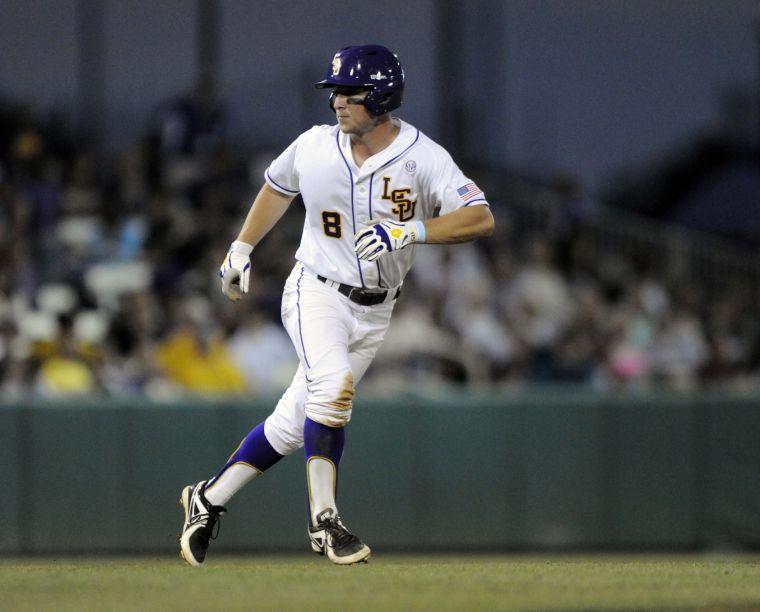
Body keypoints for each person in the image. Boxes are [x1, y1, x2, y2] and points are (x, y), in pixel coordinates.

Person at [178, 44, 494, 566]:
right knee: (334, 387)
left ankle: (207, 499)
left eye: (350, 92)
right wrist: (240, 247)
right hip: (316, 289)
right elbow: (276, 190)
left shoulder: (424, 157)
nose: (338, 102)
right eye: (335, 92)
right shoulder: (314, 145)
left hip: (376, 309)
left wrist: (412, 229)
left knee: (292, 422)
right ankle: (326, 523)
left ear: (382, 95)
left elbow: (480, 218)